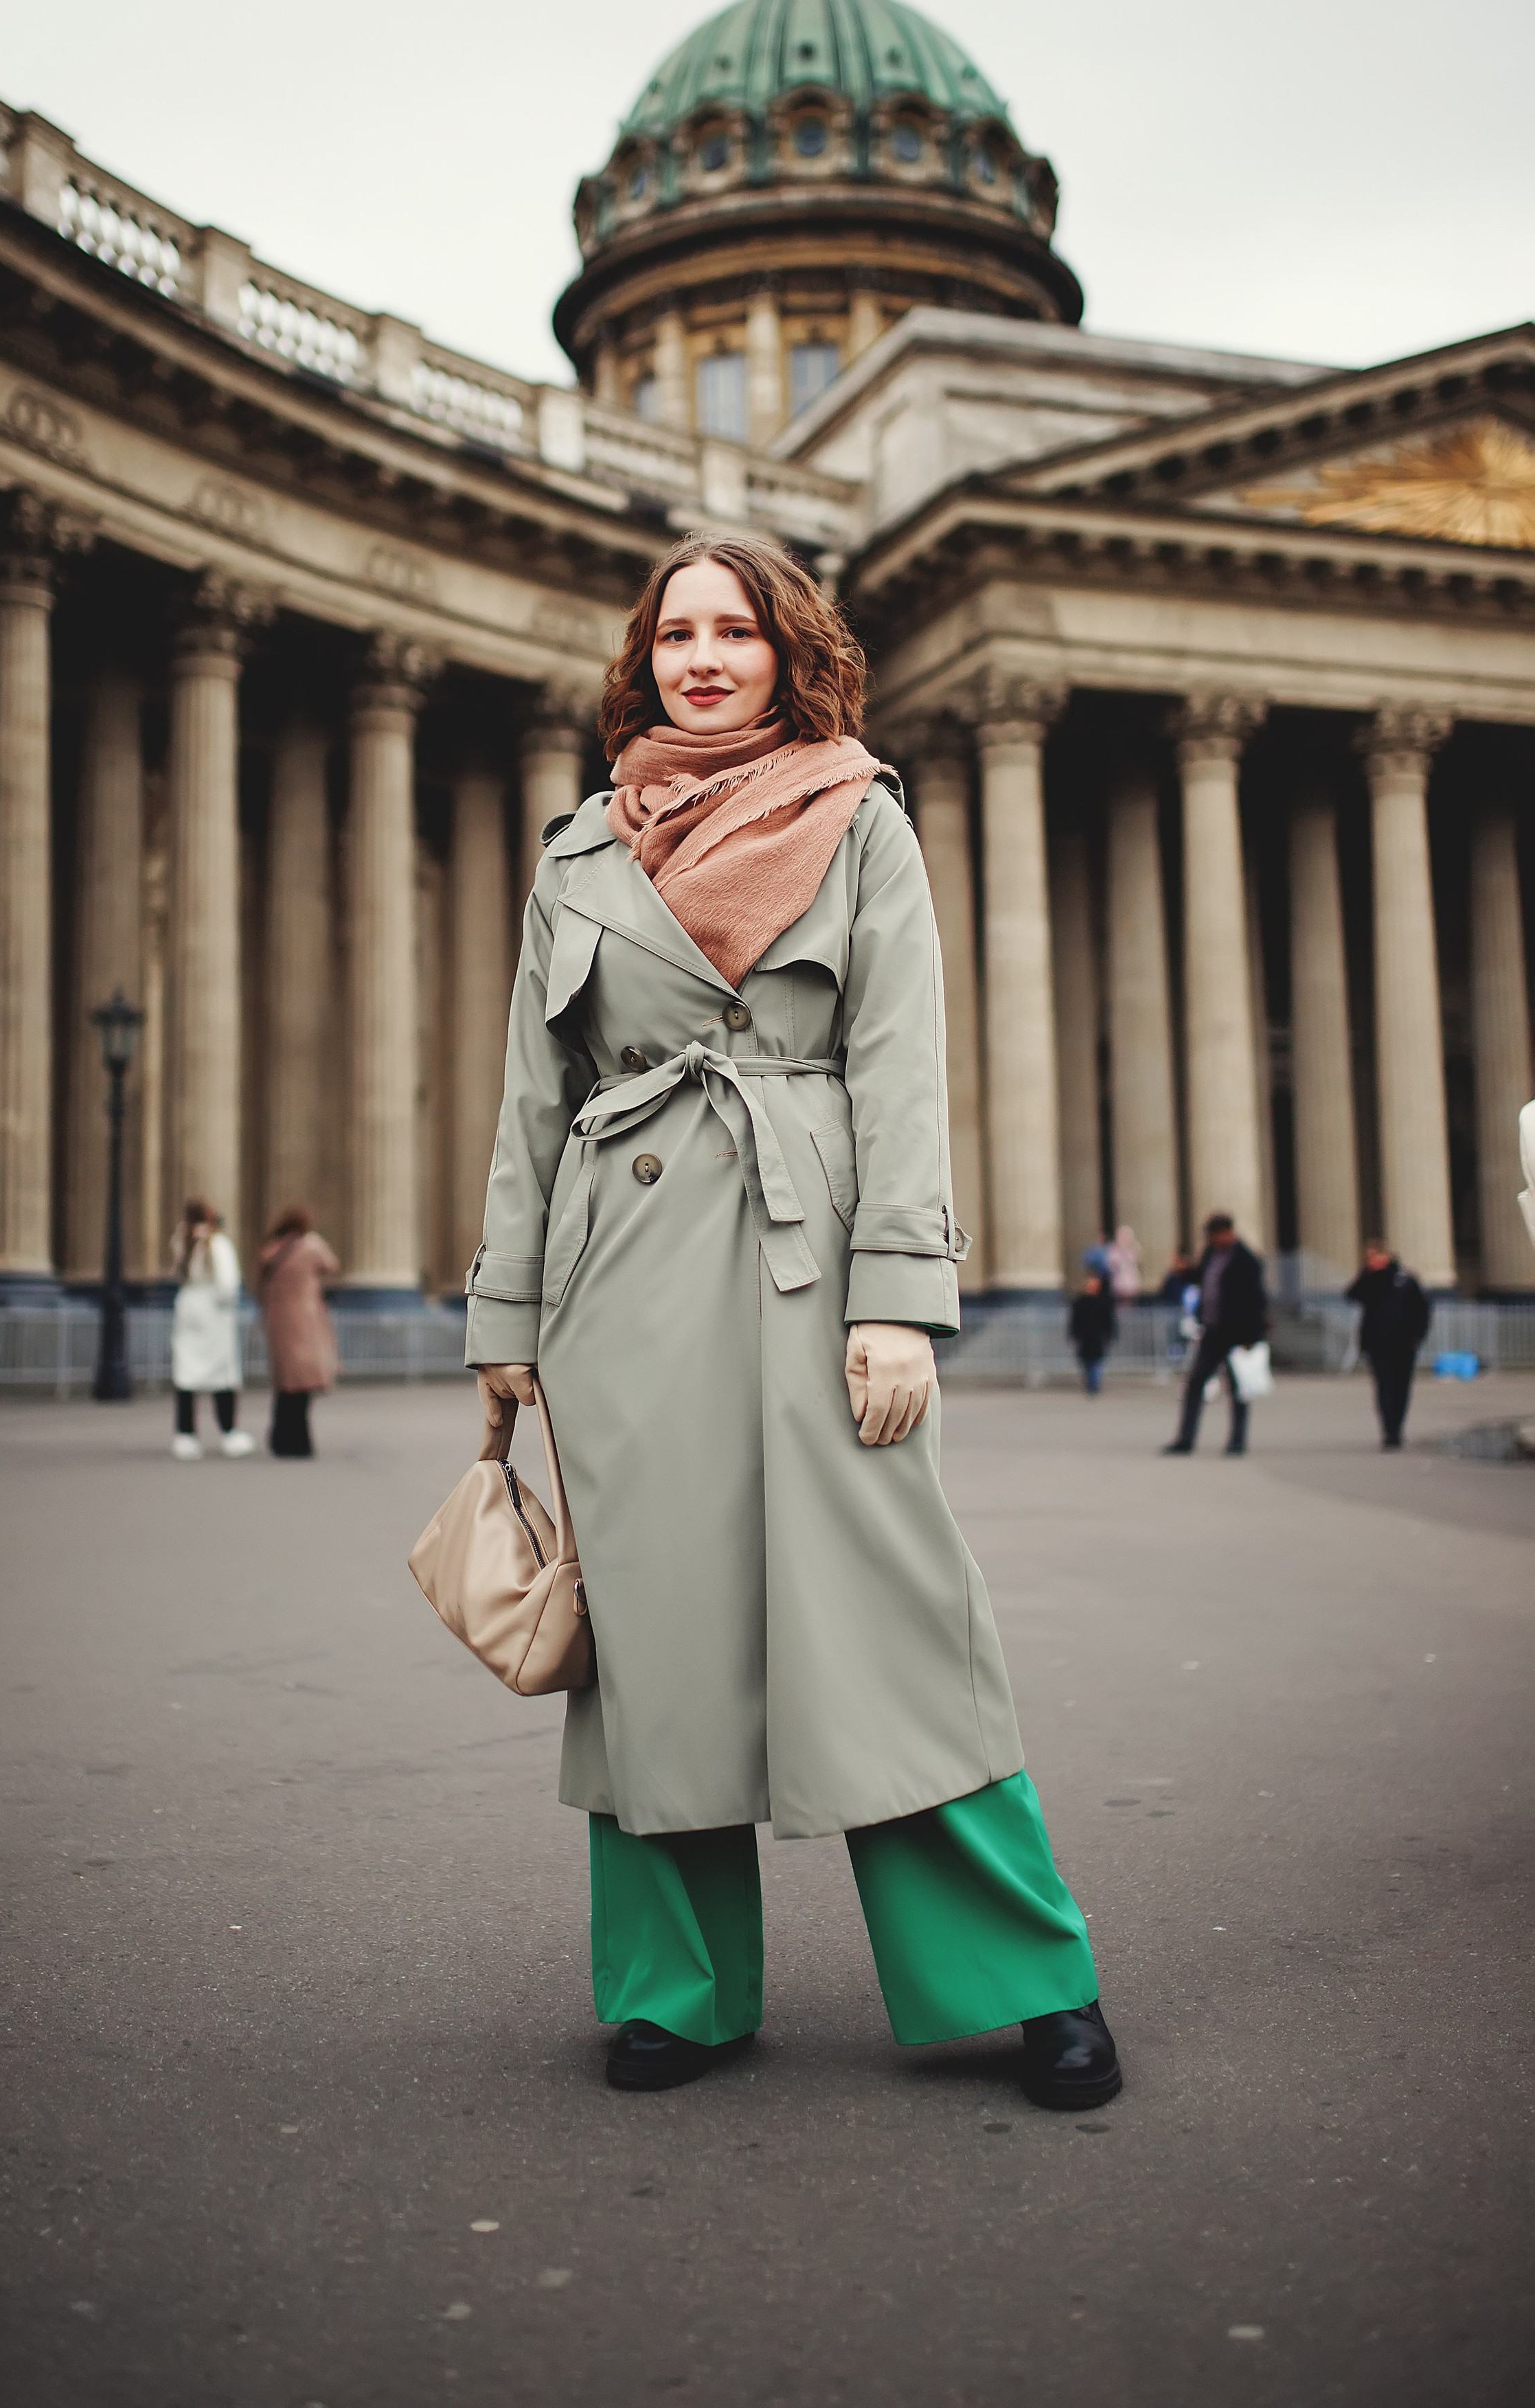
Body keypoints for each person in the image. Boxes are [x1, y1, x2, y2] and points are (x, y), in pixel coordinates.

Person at [466, 531, 1122, 2111]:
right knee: (652, 1636)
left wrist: (897, 1299)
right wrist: (508, 1310)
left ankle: (1028, 1978)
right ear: (643, 658)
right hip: (618, 1273)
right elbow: (530, 1104)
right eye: (672, 632)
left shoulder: (858, 815)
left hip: (809, 1257)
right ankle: (673, 1993)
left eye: (733, 631)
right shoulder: (575, 852)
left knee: (890, 1618)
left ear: (785, 652)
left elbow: (899, 1066)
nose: (700, 656)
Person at [1161, 1211, 1267, 1456]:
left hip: (1237, 1334)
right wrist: (1184, 1271)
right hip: (1212, 1331)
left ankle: (1237, 1441)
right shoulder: (1211, 1254)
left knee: (1238, 1389)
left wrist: (1252, 1337)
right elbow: (1200, 1278)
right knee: (1195, 1384)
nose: (1210, 1241)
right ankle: (1185, 1439)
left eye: (1213, 1236)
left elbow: (1256, 1300)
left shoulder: (1246, 1260)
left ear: (1226, 1233)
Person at [169, 1198, 252, 1459]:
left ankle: (186, 1436)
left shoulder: (182, 1242)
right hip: (213, 1314)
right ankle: (229, 1433)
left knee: (186, 1376)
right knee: (223, 1377)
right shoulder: (218, 1243)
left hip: (188, 1308)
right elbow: (228, 1285)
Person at [255, 1206, 341, 1457]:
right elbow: (331, 1265)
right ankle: (300, 1442)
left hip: (277, 1319)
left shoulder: (272, 1249)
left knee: (284, 1383)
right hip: (305, 1318)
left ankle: (280, 1439)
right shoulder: (310, 1246)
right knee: (303, 1383)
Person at [1345, 1242, 1430, 1449]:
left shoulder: (1406, 1280)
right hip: (1377, 1344)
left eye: (1378, 1256)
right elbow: (1352, 1295)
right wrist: (1367, 1273)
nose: (1375, 1261)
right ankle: (1389, 1431)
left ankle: (1397, 1427)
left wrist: (1418, 1336)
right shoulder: (1371, 1281)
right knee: (1384, 1387)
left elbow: (1422, 1310)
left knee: (1401, 1387)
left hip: (1404, 1344)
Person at [1069, 1270, 1116, 1394]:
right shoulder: (1080, 1302)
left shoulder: (1104, 1301)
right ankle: (1091, 1382)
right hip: (1085, 1336)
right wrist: (1073, 1334)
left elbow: (1109, 1320)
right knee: (1086, 1361)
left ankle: (1094, 1384)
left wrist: (1110, 1334)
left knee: (1097, 1360)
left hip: (1098, 1336)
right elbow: (1075, 1320)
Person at [1104, 1225, 1142, 1304]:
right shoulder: (1113, 1249)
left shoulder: (1135, 1248)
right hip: (1119, 1283)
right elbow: (1110, 1265)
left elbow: (1137, 1260)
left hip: (1132, 1282)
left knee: (1132, 1303)